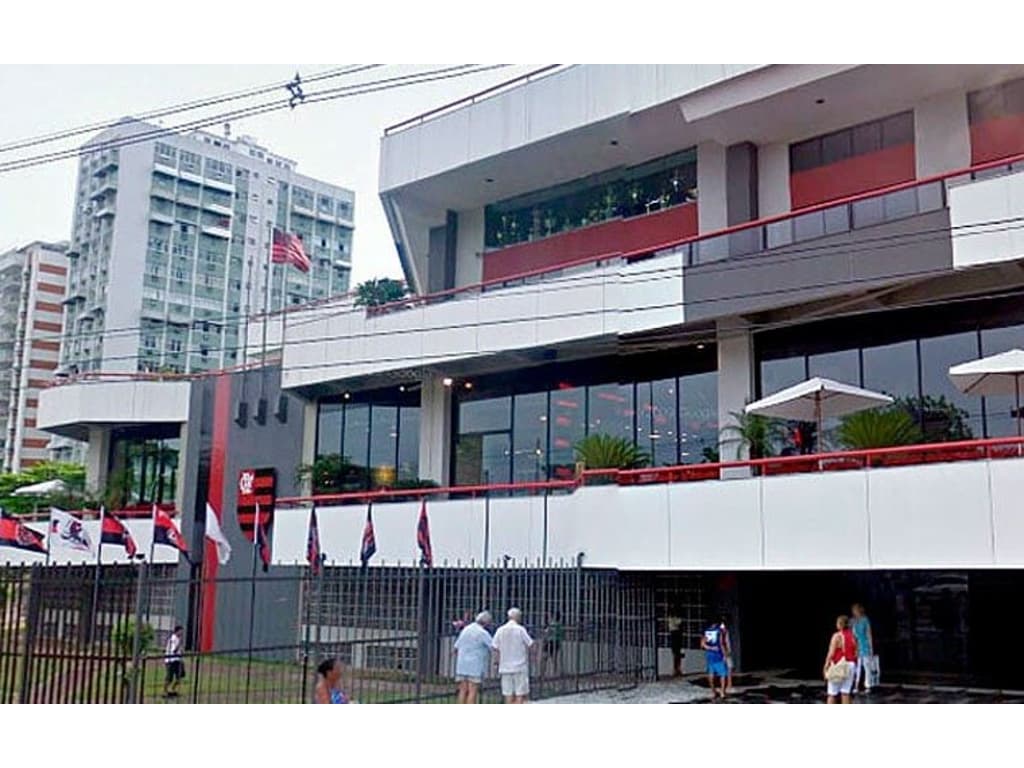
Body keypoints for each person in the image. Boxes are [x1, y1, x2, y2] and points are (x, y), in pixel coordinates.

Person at [492, 607, 534, 703]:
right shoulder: (520, 630)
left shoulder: (500, 630)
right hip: (520, 666)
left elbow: (495, 647)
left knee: (508, 693)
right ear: (518, 617)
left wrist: (496, 662)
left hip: (505, 666)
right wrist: (532, 657)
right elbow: (530, 644)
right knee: (520, 693)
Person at [453, 611, 493, 704]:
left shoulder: (466, 629)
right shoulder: (483, 633)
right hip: (475, 665)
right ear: (486, 622)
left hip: (462, 664)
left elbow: (456, 647)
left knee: (462, 690)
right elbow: (493, 646)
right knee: (472, 690)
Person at [823, 615, 858, 704]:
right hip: (851, 665)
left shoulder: (837, 636)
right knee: (845, 692)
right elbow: (856, 652)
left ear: (840, 624)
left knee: (832, 693)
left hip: (839, 665)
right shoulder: (853, 636)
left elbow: (831, 652)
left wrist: (826, 665)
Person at [701, 617, 731, 700]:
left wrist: (710, 648)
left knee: (711, 674)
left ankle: (713, 691)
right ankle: (722, 692)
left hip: (709, 655)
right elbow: (721, 643)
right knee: (723, 674)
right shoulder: (719, 630)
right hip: (718, 654)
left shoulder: (706, 630)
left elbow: (702, 644)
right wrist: (725, 654)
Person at [851, 603, 875, 694]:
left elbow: (869, 634)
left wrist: (871, 647)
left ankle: (868, 686)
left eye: (855, 610)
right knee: (858, 667)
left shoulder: (865, 620)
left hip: (865, 645)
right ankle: (856, 685)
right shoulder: (854, 621)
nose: (854, 612)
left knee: (866, 666)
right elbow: (854, 636)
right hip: (858, 645)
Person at [163, 625, 185, 699]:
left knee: (180, 676)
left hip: (177, 660)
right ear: (177, 631)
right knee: (169, 677)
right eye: (181, 631)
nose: (182, 632)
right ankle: (165, 691)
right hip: (171, 660)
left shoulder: (178, 639)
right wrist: (179, 645)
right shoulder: (173, 639)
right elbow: (174, 650)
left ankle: (173, 689)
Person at [542, 611, 564, 678]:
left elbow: (547, 632)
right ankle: (555, 674)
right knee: (554, 659)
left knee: (544, 658)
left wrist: (545, 635)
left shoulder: (552, 624)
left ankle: (543, 674)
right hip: (556, 642)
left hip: (550, 642)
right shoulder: (560, 625)